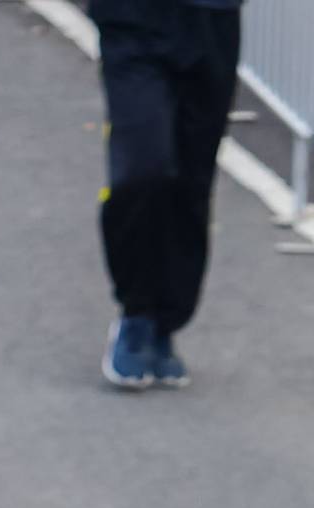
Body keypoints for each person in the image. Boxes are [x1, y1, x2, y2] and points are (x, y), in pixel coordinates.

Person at [89, 0, 239, 389]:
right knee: (142, 169)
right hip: (133, 22)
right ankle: (136, 312)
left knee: (191, 181)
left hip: (211, 20)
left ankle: (164, 324)